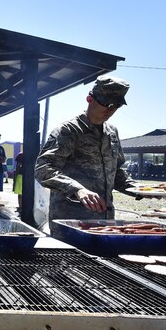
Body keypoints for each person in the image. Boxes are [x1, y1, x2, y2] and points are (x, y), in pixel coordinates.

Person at [35, 75, 137, 237]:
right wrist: (77, 189)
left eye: (117, 105)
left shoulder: (112, 132)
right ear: (90, 99)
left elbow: (116, 172)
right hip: (71, 221)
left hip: (104, 222)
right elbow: (43, 168)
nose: (111, 110)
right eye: (107, 104)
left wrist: (137, 189)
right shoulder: (69, 130)